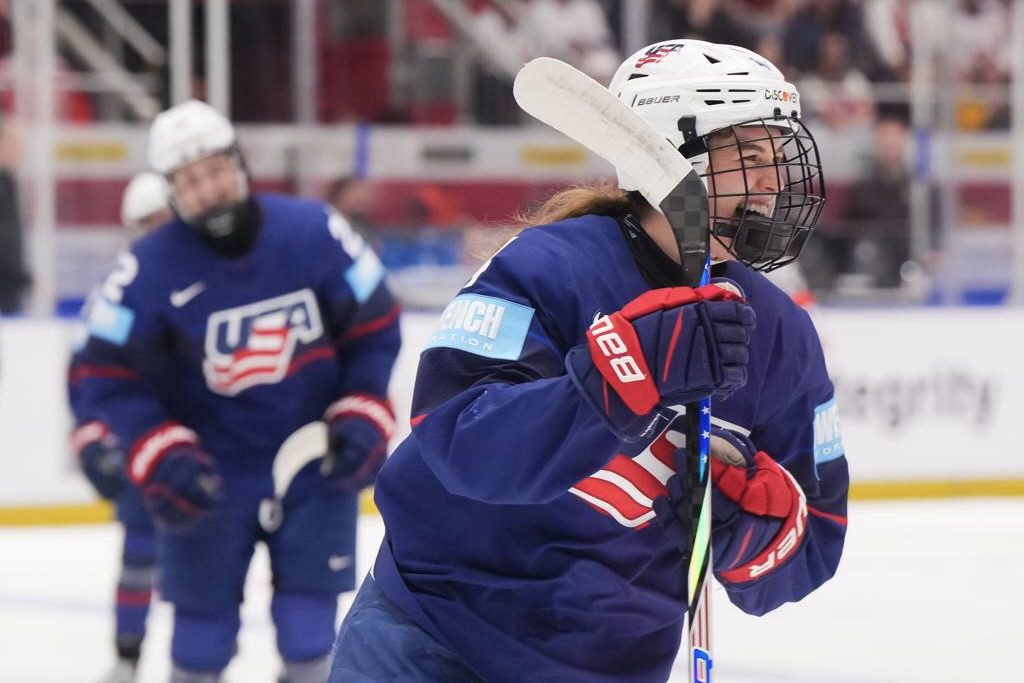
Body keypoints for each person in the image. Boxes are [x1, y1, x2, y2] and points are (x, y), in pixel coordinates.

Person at [329, 39, 849, 682]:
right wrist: (622, 377)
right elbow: (460, 444)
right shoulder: (548, 266)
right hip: (436, 636)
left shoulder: (779, 333)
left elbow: (813, 539)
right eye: (747, 153)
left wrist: (758, 530)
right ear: (669, 151)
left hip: (608, 664)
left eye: (776, 156)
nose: (773, 180)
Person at [75, 100, 401, 683]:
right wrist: (156, 447)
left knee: (310, 636)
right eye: (189, 180)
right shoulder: (145, 268)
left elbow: (374, 324)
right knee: (200, 642)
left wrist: (365, 404)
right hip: (208, 475)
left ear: (239, 162)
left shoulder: (314, 230)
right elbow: (106, 372)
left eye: (215, 169)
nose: (208, 188)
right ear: (170, 191)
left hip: (312, 463)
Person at [67, 171, 173, 683]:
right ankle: (127, 656)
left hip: (212, 439)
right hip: (142, 441)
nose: (155, 231)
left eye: (161, 219)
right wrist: (89, 434)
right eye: (145, 223)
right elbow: (85, 370)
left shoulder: (217, 272)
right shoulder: (119, 290)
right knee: (139, 550)